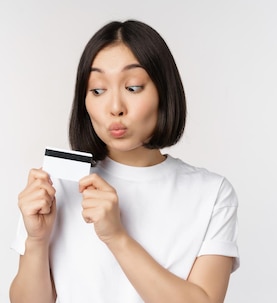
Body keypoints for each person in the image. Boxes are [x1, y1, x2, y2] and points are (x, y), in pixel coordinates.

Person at [9, 20, 239, 303]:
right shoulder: (56, 183)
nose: (115, 107)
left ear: (163, 93)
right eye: (97, 90)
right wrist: (36, 241)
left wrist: (117, 237)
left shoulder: (212, 193)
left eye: (133, 87)